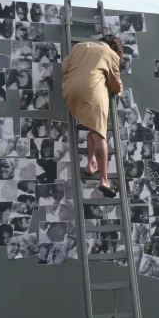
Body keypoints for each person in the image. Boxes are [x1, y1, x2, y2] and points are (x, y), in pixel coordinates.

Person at [61, 35, 124, 198]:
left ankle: (91, 163)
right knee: (100, 133)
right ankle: (104, 180)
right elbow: (115, 85)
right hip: (91, 92)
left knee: (92, 127)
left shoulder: (78, 46)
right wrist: (120, 89)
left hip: (70, 90)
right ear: (113, 46)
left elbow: (63, 68)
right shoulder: (110, 54)